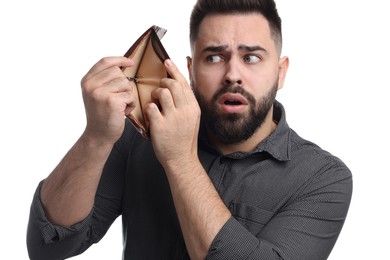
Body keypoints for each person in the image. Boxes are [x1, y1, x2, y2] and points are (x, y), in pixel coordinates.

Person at [26, 0, 353, 259]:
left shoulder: (323, 177)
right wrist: (96, 138)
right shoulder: (135, 139)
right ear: (190, 69)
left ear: (280, 72)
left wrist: (180, 159)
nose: (232, 75)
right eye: (214, 57)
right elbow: (48, 246)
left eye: (252, 58)